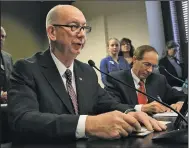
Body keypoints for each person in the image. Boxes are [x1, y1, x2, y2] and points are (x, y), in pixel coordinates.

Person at [8, 5, 166, 143]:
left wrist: (133, 113)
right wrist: (89, 124)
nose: (82, 34)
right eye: (74, 26)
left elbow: (108, 104)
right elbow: (23, 119)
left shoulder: (87, 71)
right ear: (52, 32)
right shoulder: (26, 69)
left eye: (84, 28)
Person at [104, 45, 187, 115]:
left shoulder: (158, 79)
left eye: (153, 66)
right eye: (147, 64)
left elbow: (181, 96)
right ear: (134, 60)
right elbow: (111, 105)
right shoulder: (116, 78)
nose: (150, 70)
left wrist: (180, 103)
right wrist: (142, 108)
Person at [0, 26, 13, 103]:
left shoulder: (8, 57)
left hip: (5, 108)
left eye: (3, 36)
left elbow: (11, 81)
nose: (1, 39)